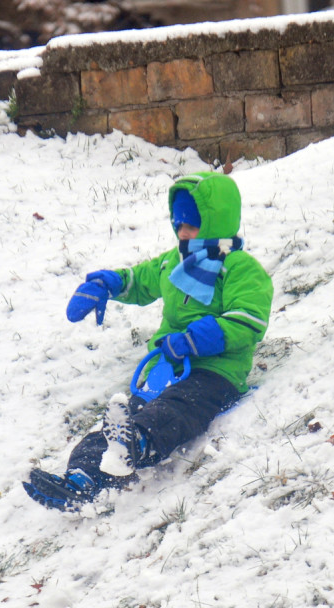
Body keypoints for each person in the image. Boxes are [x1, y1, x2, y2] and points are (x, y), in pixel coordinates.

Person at [23, 171, 274, 511]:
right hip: (166, 368)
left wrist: (195, 339)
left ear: (216, 221)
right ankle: (80, 480)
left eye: (192, 225)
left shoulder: (239, 267)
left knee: (174, 411)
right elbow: (140, 280)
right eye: (179, 225)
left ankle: (135, 445)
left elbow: (249, 319)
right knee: (118, 420)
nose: (183, 233)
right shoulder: (174, 262)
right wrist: (108, 284)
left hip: (214, 373)